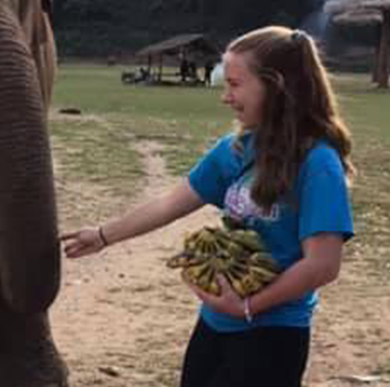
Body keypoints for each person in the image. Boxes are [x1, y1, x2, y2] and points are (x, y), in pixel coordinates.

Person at [62, 26, 354, 387]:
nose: (225, 97)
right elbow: (171, 202)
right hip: (215, 323)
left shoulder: (317, 162)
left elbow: (323, 264)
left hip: (273, 334)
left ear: (275, 86)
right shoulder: (236, 149)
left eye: (234, 84)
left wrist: (248, 306)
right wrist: (103, 236)